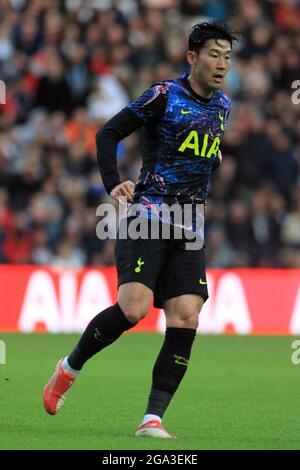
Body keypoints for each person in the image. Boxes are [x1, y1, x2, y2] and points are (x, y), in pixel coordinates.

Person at [43, 20, 237, 439]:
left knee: (186, 314)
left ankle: (152, 418)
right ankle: (69, 367)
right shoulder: (163, 95)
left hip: (189, 224)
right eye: (214, 54)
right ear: (193, 57)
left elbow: (205, 151)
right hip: (147, 213)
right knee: (133, 308)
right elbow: (107, 133)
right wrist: (114, 182)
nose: (222, 64)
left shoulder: (222, 106)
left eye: (227, 56)